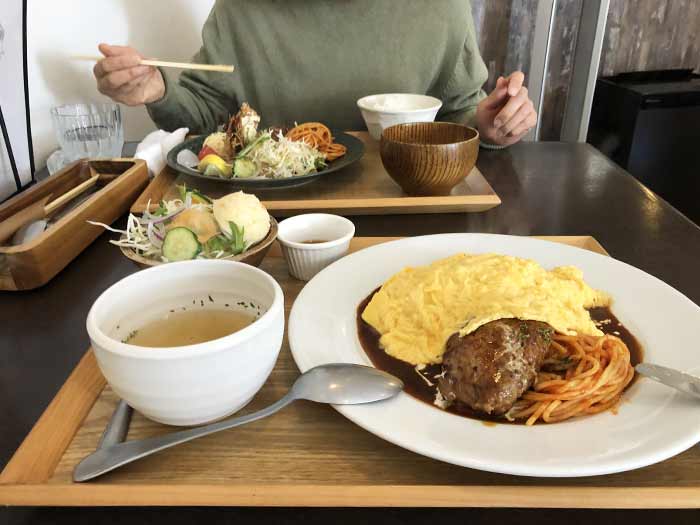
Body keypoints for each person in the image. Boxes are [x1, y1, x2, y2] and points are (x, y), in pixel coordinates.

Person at [93, 1, 536, 147]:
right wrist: (157, 90)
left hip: (410, 207)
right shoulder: (242, 9)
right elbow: (211, 116)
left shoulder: (439, 8)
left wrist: (492, 123)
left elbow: (457, 113)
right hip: (271, 215)